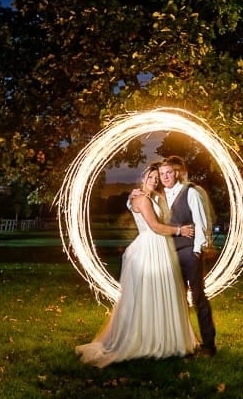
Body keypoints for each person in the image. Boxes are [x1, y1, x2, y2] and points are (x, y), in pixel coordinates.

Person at [75, 164, 198, 367]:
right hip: (151, 247)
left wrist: (129, 198)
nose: (155, 180)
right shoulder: (142, 198)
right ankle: (150, 340)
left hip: (155, 246)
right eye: (152, 176)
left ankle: (157, 336)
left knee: (151, 294)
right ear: (144, 177)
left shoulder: (141, 197)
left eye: (157, 177)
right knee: (149, 294)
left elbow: (133, 207)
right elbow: (155, 226)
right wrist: (180, 230)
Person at [157, 155, 217, 356]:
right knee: (177, 299)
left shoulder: (190, 192)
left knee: (198, 296)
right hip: (170, 254)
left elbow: (200, 222)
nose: (165, 177)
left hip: (189, 252)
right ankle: (182, 344)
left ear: (175, 173)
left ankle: (209, 344)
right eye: (162, 174)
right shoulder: (160, 196)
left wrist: (197, 250)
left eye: (168, 173)